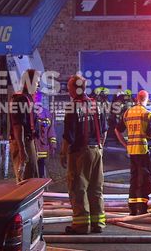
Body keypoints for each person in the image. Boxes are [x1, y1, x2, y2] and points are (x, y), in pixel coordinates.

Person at [60, 75, 108, 235]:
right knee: (96, 188)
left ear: (75, 88)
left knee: (78, 188)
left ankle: (81, 225)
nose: (68, 91)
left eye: (69, 88)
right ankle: (98, 224)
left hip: (80, 152)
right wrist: (101, 147)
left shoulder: (73, 107)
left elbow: (68, 135)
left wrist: (63, 153)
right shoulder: (96, 104)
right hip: (97, 150)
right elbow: (104, 129)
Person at [115, 90, 151, 216]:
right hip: (144, 151)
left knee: (134, 178)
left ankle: (133, 208)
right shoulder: (147, 113)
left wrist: (125, 144)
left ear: (136, 99)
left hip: (132, 151)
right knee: (145, 179)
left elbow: (117, 130)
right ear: (146, 99)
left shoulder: (128, 112)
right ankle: (143, 207)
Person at [9, 69, 40, 182]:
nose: (38, 85)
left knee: (32, 176)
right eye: (37, 82)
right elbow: (18, 126)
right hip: (23, 142)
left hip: (28, 141)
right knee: (27, 180)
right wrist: (22, 150)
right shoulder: (20, 99)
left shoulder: (28, 98)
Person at [34, 91, 57, 178]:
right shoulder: (28, 113)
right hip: (32, 149)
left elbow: (51, 131)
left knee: (41, 171)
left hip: (43, 148)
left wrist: (53, 145)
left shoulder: (47, 114)